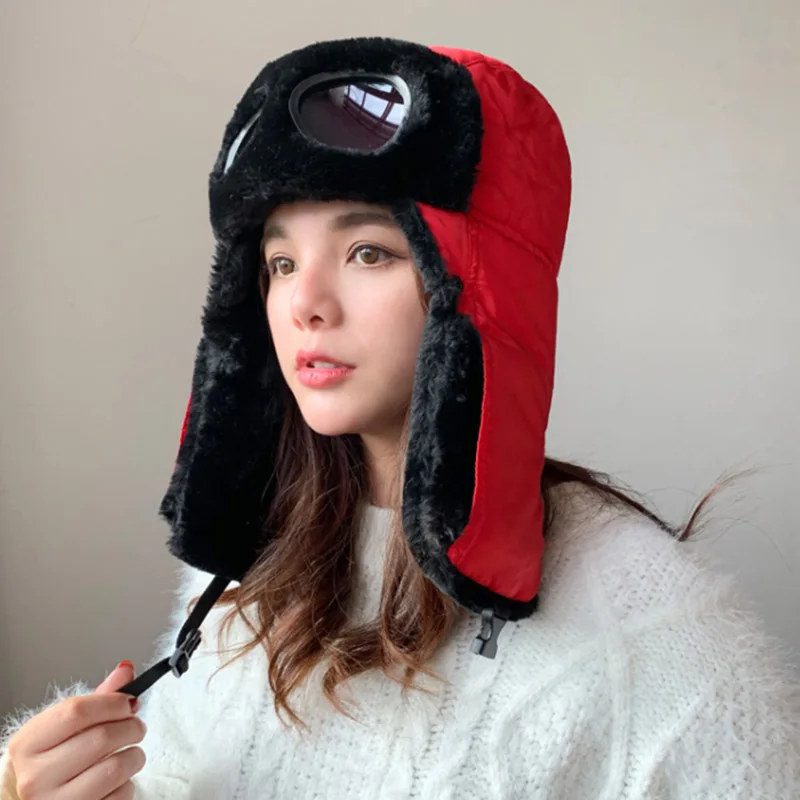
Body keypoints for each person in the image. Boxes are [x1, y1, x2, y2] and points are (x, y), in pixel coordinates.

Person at [2, 36, 799, 800]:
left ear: (479, 289)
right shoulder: (250, 572)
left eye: (368, 253)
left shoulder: (653, 627)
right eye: (281, 262)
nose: (305, 304)